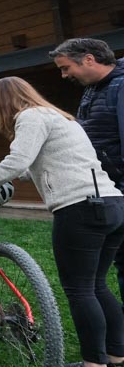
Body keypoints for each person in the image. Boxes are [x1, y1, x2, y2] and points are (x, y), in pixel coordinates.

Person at [0, 76, 124, 367]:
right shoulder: (59, 117)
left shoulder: (29, 117)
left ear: (6, 100)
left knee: (80, 290)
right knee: (98, 285)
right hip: (112, 203)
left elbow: (18, 159)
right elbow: (28, 166)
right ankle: (116, 354)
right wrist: (6, 178)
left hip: (80, 208)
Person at [50, 37, 124, 298]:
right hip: (106, 186)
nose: (63, 74)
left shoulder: (120, 86)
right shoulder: (92, 89)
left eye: (66, 67)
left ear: (89, 59)